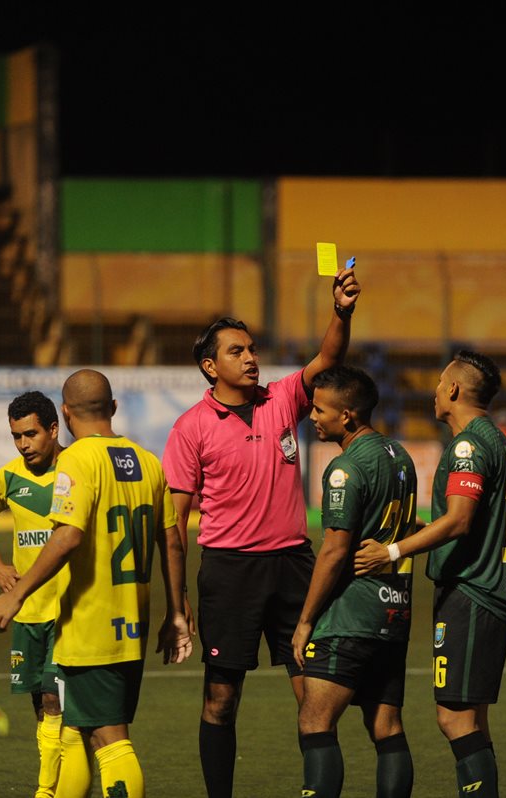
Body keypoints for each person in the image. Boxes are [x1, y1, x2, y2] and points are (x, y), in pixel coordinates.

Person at [161, 263, 360, 798]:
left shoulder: (282, 401)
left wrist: (341, 311)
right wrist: (177, 606)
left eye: (251, 349)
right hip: (230, 572)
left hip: (295, 564)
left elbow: (329, 360)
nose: (250, 357)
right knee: (221, 701)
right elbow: (173, 524)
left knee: (314, 698)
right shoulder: (189, 429)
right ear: (209, 366)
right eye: (236, 351)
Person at [0, 369, 192, 798]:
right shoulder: (148, 461)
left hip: (90, 625)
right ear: (113, 408)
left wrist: (15, 595)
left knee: (109, 740)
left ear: (64, 413)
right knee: (74, 729)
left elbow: (68, 535)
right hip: (131, 622)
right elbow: (171, 540)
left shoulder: (76, 460)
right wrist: (177, 613)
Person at [355, 350, 506, 798]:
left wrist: (392, 550)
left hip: (473, 593)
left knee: (453, 719)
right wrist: (425, 529)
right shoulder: (498, 441)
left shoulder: (467, 445)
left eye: (439, 383)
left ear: (453, 390)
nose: (433, 391)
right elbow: (473, 522)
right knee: (474, 722)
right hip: (491, 590)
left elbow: (462, 519)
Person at [291, 366, 418, 798]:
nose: (312, 416)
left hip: (351, 615)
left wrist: (306, 620)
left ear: (347, 415)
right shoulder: (399, 456)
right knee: (386, 725)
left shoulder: (345, 468)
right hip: (394, 610)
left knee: (315, 721)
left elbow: (335, 550)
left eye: (320, 409)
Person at [0, 391, 68, 798]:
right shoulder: (9, 477)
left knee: (54, 700)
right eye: (16, 436)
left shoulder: (76, 470)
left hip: (69, 610)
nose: (23, 444)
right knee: (40, 706)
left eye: (30, 434)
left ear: (53, 429)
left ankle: (48, 791)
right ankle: (60, 781)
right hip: (27, 612)